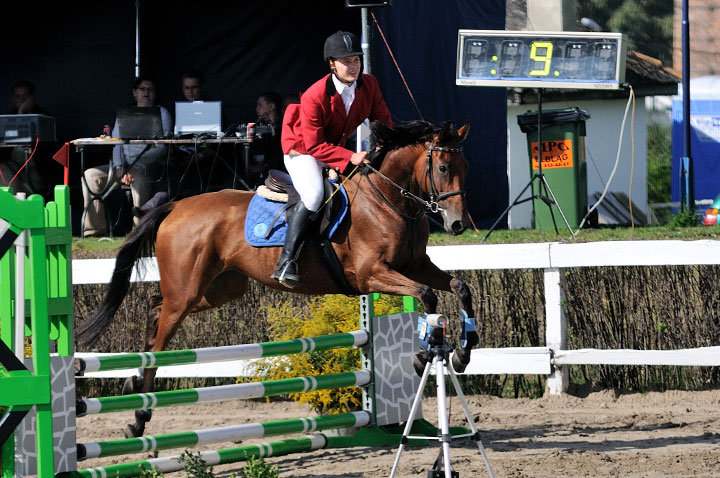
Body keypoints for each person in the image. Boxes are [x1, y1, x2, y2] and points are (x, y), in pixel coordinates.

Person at [272, 31, 393, 288]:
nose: (353, 66)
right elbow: (314, 145)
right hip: (302, 149)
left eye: (356, 60)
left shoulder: (369, 84)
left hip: (332, 148)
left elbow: (383, 122)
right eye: (346, 61)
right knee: (315, 195)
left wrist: (391, 146)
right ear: (332, 64)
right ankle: (286, 262)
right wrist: (351, 156)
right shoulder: (315, 95)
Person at [81, 77, 172, 236]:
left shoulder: (161, 113)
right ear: (134, 93)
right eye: (142, 89)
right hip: (123, 168)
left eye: (150, 89)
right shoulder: (125, 114)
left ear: (155, 94)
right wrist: (119, 167)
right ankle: (94, 230)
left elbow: (162, 147)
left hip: (149, 167)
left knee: (140, 179)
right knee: (90, 175)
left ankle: (139, 232)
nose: (146, 93)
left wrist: (133, 166)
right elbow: (117, 143)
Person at [1, 80, 56, 196]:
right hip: (12, 164)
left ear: (32, 97)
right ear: (13, 99)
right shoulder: (7, 117)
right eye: (18, 96)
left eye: (24, 96)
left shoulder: (44, 117)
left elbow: (46, 147)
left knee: (23, 151)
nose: (21, 100)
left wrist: (22, 113)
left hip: (36, 165)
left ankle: (29, 194)